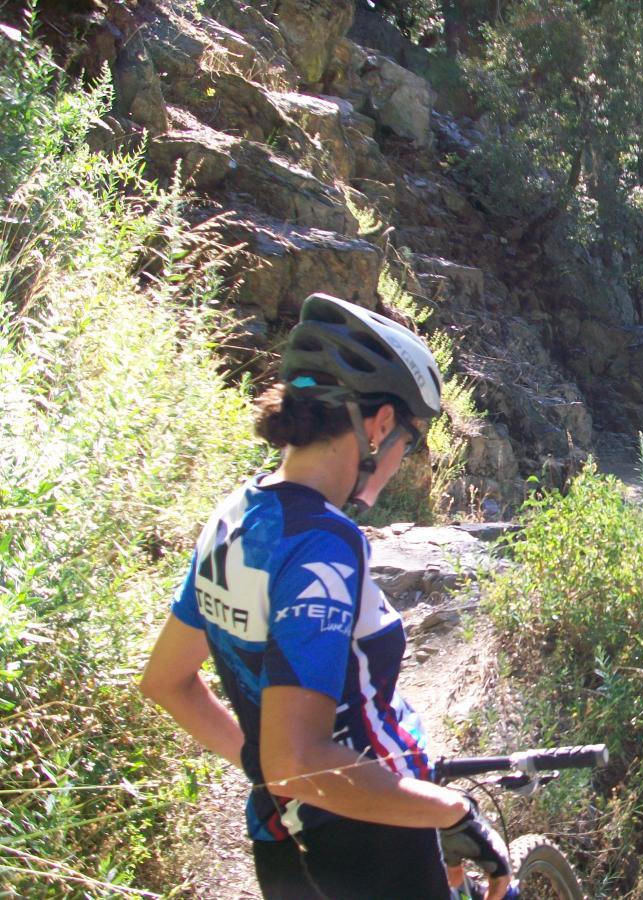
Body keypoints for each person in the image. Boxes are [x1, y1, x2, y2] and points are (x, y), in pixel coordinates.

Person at [140, 293, 510, 899]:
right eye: (411, 442)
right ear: (381, 424)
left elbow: (166, 681)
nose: (403, 459)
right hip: (373, 841)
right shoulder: (324, 543)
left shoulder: (236, 515)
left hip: (282, 840)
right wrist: (448, 812)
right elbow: (301, 757)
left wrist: (262, 766)